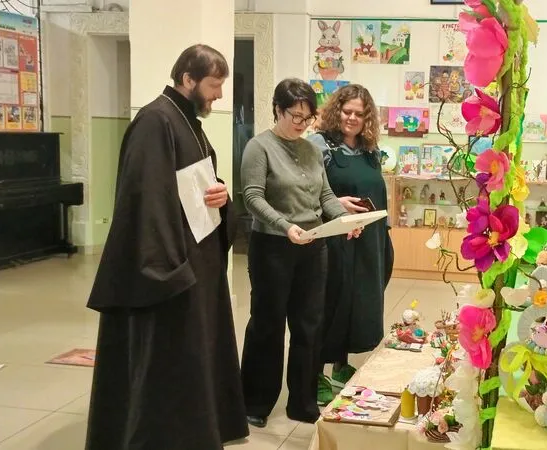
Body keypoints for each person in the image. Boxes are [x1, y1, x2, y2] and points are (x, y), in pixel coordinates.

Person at [84, 44, 247, 449]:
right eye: (214, 85)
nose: (219, 94)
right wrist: (169, 270)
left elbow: (199, 186)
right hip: (171, 270)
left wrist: (222, 195)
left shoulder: (188, 121)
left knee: (195, 357)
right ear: (188, 79)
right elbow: (146, 201)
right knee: (170, 363)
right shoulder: (155, 121)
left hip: (198, 262)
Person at [239, 78, 358, 427]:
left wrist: (343, 220)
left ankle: (302, 402)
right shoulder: (259, 147)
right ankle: (255, 402)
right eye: (296, 116)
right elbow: (252, 197)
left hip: (313, 246)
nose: (302, 124)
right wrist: (284, 225)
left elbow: (325, 196)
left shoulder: (311, 149)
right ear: (277, 110)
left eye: (308, 118)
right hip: (273, 246)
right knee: (268, 324)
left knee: (309, 325)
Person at [306, 84, 394, 405]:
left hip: (370, 238)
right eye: (347, 111)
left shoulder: (371, 150)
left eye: (359, 113)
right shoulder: (320, 144)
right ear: (337, 111)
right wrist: (335, 202)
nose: (352, 118)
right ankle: (315, 372)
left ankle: (341, 365)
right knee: (330, 302)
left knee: (357, 303)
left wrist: (384, 234)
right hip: (335, 238)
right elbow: (307, 189)